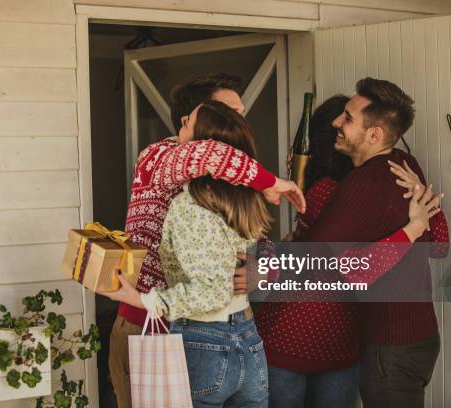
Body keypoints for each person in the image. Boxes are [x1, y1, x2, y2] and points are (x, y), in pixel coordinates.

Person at [107, 73, 305, 408]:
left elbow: (261, 240)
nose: (238, 120)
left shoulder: (238, 177)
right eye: (227, 111)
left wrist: (261, 270)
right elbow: (208, 155)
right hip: (149, 323)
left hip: (223, 331)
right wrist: (270, 181)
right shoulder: (161, 156)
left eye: (241, 113)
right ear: (189, 119)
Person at [255, 94, 449, 408]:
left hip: (311, 337)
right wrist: (423, 210)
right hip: (356, 341)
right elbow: (438, 247)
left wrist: (268, 255)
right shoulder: (399, 168)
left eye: (346, 119)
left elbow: (336, 267)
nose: (339, 124)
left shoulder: (338, 189)